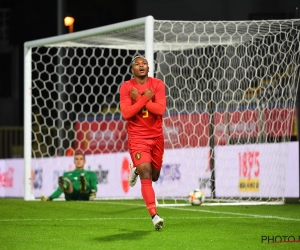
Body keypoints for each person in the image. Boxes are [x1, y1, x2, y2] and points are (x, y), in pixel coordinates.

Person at [119, 55, 166, 230]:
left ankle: (135, 168)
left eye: (144, 63)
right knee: (146, 175)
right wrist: (144, 98)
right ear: (132, 69)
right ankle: (154, 216)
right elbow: (127, 113)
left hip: (156, 137)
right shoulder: (126, 87)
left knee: (154, 176)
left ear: (148, 67)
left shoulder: (158, 85)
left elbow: (160, 109)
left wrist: (138, 98)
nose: (141, 66)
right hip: (138, 138)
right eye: (137, 64)